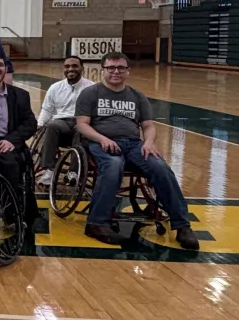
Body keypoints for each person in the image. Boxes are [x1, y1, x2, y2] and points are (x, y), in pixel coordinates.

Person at [75, 52, 198, 249]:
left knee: (160, 168)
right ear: (103, 70)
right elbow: (82, 124)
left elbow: (148, 126)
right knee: (113, 165)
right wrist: (102, 138)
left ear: (127, 71)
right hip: (101, 142)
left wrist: (149, 142)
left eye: (121, 68)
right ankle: (96, 223)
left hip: (134, 144)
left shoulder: (137, 96)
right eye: (111, 68)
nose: (116, 72)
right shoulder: (90, 93)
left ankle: (182, 225)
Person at [0, 53, 40, 232]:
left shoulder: (20, 95)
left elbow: (30, 123)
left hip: (7, 141)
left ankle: (11, 214)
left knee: (10, 163)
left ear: (6, 69)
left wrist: (12, 140)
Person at [35, 55, 95, 185]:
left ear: (82, 68)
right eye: (67, 66)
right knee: (51, 126)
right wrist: (39, 125)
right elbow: (47, 109)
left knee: (81, 129)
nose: (70, 69)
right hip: (61, 123)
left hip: (82, 122)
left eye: (74, 66)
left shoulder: (92, 88)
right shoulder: (55, 88)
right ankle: (49, 170)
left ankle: (73, 172)